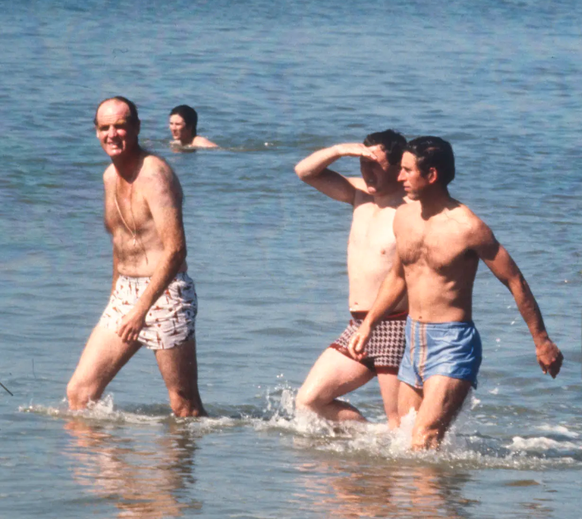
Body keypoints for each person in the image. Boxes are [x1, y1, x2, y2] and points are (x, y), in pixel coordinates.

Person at [348, 136, 563, 449]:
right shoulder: (405, 217)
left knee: (423, 441)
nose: (399, 177)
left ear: (432, 175)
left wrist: (541, 340)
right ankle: (445, 496)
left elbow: (515, 279)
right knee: (405, 443)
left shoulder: (468, 227)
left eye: (407, 170)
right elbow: (398, 277)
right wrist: (369, 324)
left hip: (452, 342)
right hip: (414, 339)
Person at [67, 96, 206, 417]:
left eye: (120, 126)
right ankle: (111, 469)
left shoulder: (155, 174)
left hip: (165, 293)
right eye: (104, 128)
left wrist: (141, 309)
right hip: (125, 295)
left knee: (185, 407)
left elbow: (176, 249)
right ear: (96, 132)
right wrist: (116, 298)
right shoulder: (109, 177)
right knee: (80, 394)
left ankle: (188, 466)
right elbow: (121, 244)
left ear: (137, 128)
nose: (112, 134)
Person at [294, 130, 408, 428]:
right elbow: (304, 171)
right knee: (309, 401)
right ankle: (371, 447)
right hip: (357, 325)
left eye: (376, 164)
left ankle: (398, 471)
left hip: (395, 324)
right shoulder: (358, 193)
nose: (368, 171)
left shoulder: (411, 210)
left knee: (399, 423)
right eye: (362, 163)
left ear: (399, 167)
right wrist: (339, 149)